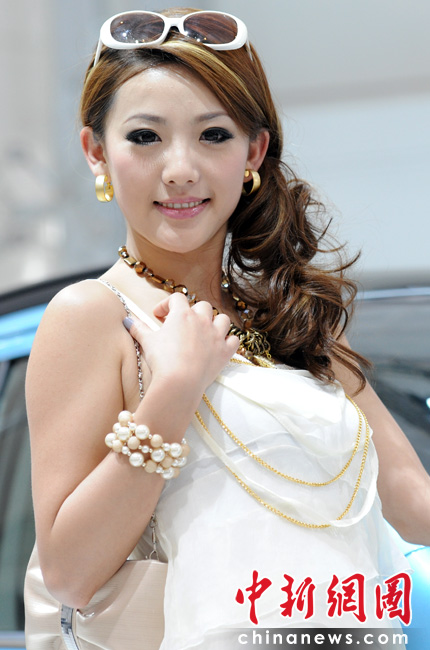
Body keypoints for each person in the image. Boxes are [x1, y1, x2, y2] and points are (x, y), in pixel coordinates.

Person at [25, 7, 430, 649]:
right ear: (96, 152)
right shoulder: (93, 315)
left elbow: (409, 499)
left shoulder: (298, 318)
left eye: (213, 135)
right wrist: (175, 390)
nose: (180, 169)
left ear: (254, 151)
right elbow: (70, 575)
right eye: (145, 137)